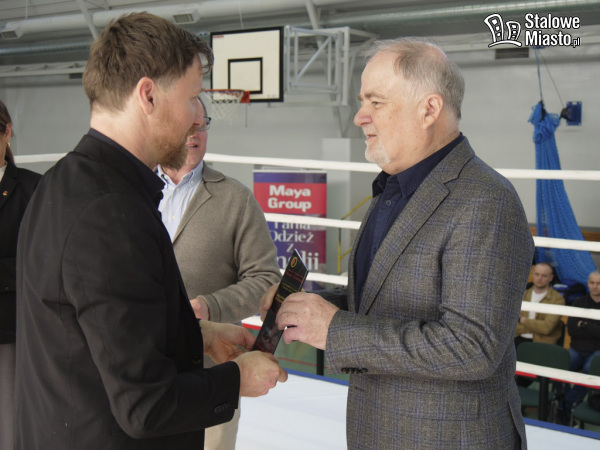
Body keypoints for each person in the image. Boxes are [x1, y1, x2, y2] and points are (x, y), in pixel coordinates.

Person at [14, 12, 286, 450]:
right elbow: (146, 405)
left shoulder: (62, 183)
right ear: (148, 95)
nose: (196, 117)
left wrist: (199, 336)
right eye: (192, 99)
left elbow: (95, 335)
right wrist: (237, 379)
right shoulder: (110, 214)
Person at [260, 37, 534, 449]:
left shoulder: (486, 201)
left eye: (376, 102)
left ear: (429, 109)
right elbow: (387, 302)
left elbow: (473, 347)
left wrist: (335, 329)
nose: (359, 117)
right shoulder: (395, 189)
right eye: (362, 102)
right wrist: (309, 307)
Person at [156, 96, 281, 450]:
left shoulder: (236, 199)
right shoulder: (132, 194)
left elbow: (265, 279)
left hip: (209, 381)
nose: (195, 134)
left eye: (202, 125)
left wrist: (210, 306)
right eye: (187, 125)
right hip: (144, 376)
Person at [0, 99, 41, 450]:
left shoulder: (33, 189)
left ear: (7, 132)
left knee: (10, 432)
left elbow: (44, 261)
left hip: (12, 333)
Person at [561, 270, 600, 422]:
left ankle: (568, 403)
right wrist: (594, 329)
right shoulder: (578, 303)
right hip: (577, 348)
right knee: (559, 367)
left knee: (589, 371)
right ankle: (568, 403)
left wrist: (584, 325)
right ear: (588, 284)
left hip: (597, 350)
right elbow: (571, 329)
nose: (595, 286)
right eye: (592, 283)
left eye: (599, 283)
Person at [515, 262, 565, 346]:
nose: (539, 278)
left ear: (551, 278)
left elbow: (546, 328)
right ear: (533, 275)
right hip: (518, 339)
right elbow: (511, 325)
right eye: (537, 274)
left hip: (542, 343)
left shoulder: (557, 299)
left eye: (544, 276)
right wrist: (536, 327)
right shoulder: (522, 295)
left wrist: (521, 320)